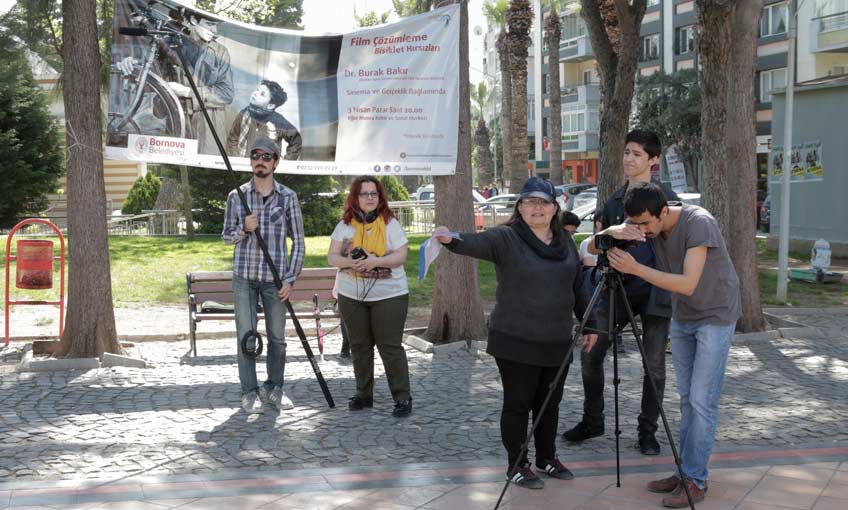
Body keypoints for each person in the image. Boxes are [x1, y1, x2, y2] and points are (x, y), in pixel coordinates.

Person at [434, 176, 594, 490]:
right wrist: (449, 238)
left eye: (543, 202)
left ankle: (548, 457)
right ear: (519, 207)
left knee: (550, 404)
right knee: (519, 404)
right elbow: (473, 241)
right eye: (530, 202)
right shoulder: (507, 238)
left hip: (557, 340)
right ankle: (517, 464)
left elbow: (576, 287)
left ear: (555, 207)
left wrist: (589, 323)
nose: (537, 208)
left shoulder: (566, 243)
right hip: (516, 340)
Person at [603, 181, 740, 507]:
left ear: (664, 211)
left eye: (646, 224)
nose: (643, 231)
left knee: (701, 401)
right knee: (687, 401)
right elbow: (597, 244)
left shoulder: (699, 222)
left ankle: (696, 479)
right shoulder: (645, 225)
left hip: (715, 316)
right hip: (684, 317)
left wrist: (636, 268)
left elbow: (688, 284)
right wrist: (618, 233)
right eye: (636, 224)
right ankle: (685, 472)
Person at [561, 129, 679, 456]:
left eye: (637, 154)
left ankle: (647, 431)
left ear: (653, 160)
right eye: (626, 152)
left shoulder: (669, 200)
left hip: (655, 290)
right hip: (614, 288)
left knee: (654, 364)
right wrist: (609, 237)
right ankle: (592, 420)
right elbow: (594, 247)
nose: (629, 159)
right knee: (590, 353)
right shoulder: (613, 200)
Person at [221, 137, 305, 414]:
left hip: (275, 279)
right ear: (251, 161)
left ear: (275, 162)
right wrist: (244, 229)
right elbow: (226, 237)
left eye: (266, 156)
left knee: (277, 338)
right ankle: (249, 392)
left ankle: (275, 388)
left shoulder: (289, 197)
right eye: (255, 156)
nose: (260, 160)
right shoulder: (238, 196)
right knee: (246, 337)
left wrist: (290, 279)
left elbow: (299, 243)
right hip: (244, 276)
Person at [327, 177, 413, 418]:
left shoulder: (390, 223)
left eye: (373, 193)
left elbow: (401, 255)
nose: (369, 197)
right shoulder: (344, 226)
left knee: (390, 346)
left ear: (380, 197)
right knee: (359, 346)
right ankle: (363, 394)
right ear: (355, 197)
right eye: (364, 194)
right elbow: (332, 257)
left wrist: (376, 261)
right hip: (351, 295)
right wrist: (349, 263)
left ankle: (402, 397)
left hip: (390, 295)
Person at [226, 79, 302, 160]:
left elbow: (296, 140)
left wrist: (287, 161)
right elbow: (232, 138)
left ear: (270, 106)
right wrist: (235, 159)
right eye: (257, 90)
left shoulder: (278, 121)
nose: (255, 93)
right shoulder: (244, 114)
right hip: (242, 167)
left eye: (262, 94)